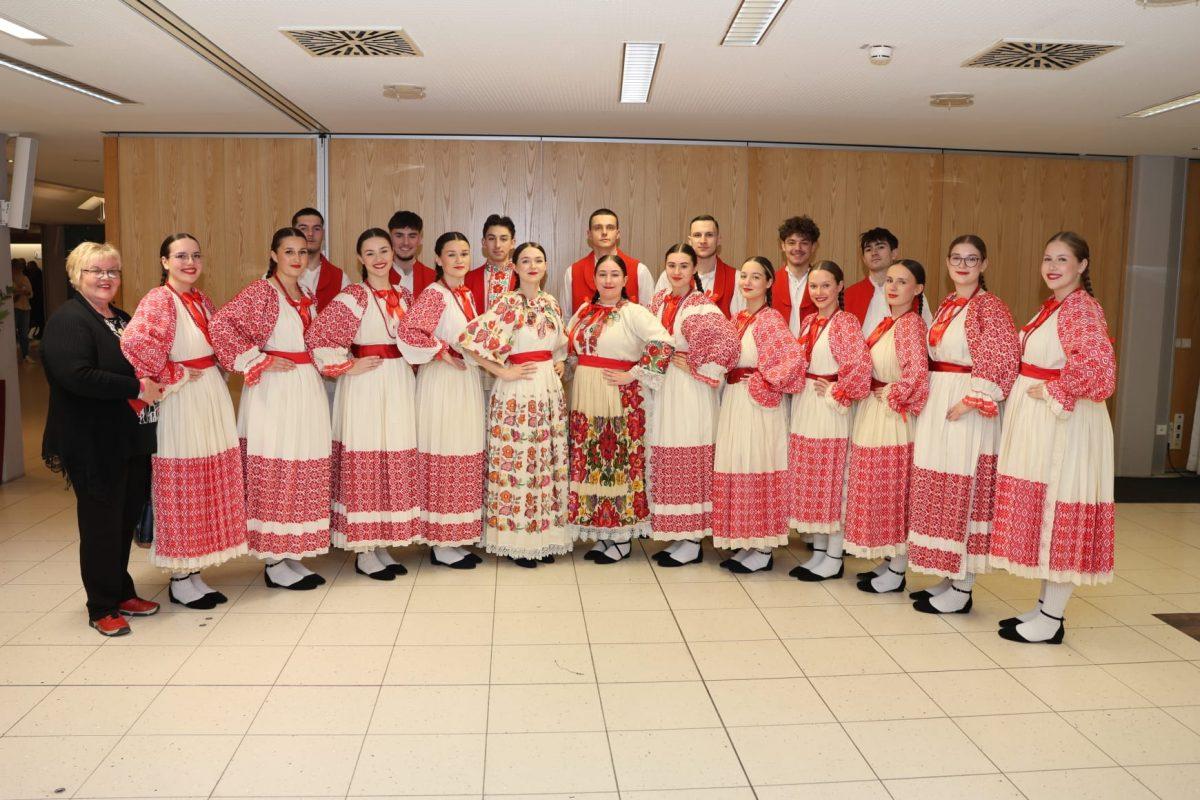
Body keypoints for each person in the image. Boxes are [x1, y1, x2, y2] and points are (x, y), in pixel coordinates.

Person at [989, 232, 1116, 644]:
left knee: (1059, 509)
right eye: (1047, 258)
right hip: (1043, 422)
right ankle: (1045, 608)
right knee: (1044, 509)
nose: (1053, 266)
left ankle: (1053, 618)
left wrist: (1056, 388)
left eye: (1063, 259)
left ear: (1082, 265)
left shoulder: (1081, 309)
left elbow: (1099, 371)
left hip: (1066, 425)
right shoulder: (1053, 307)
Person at [120, 233, 248, 608]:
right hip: (182, 400)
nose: (189, 262)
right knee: (184, 481)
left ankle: (195, 570)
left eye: (195, 255)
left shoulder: (201, 300)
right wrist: (171, 372)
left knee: (207, 478)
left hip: (208, 394)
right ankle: (180, 575)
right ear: (164, 262)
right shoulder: (160, 299)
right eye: (180, 256)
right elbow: (133, 343)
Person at [42, 242, 163, 636]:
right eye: (96, 271)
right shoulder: (69, 320)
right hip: (91, 441)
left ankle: (122, 590)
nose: (106, 278)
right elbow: (76, 375)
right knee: (100, 525)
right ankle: (101, 606)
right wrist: (136, 385)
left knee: (123, 520)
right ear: (77, 275)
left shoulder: (121, 318)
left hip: (127, 438)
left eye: (113, 271)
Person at [210, 227, 332, 589]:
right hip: (276, 390)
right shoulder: (262, 291)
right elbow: (221, 325)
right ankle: (273, 559)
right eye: (289, 251)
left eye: (303, 252)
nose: (297, 258)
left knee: (301, 463)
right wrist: (256, 359)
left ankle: (290, 549)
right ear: (274, 254)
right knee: (278, 465)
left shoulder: (305, 292)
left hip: (305, 386)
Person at [906, 236, 1019, 614]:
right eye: (956, 257)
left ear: (984, 264)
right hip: (941, 397)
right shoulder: (948, 304)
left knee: (962, 489)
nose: (963, 264)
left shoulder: (990, 307)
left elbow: (1003, 354)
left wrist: (973, 398)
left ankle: (964, 587)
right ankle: (948, 573)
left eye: (972, 259)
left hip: (967, 404)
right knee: (938, 485)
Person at [306, 228, 422, 580]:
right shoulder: (353, 296)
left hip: (398, 380)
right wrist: (347, 365)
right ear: (360, 259)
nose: (379, 258)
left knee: (392, 455)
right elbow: (318, 338)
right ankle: (363, 548)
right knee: (367, 458)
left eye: (383, 250)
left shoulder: (405, 295)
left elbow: (419, 337)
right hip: (365, 384)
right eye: (369, 253)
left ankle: (382, 539)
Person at [459, 241, 573, 565]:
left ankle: (545, 538)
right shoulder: (507, 303)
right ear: (515, 266)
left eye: (538, 260)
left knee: (545, 464)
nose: (532, 265)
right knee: (519, 465)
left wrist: (561, 363)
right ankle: (517, 541)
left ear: (546, 266)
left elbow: (560, 345)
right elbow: (470, 340)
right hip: (517, 392)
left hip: (548, 391)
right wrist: (501, 371)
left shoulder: (551, 303)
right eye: (525, 260)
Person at [565, 253, 673, 563]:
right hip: (586, 396)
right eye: (603, 274)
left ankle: (622, 536)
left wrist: (634, 373)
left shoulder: (633, 312)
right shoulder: (585, 311)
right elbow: (572, 349)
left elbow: (663, 342)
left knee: (617, 463)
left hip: (617, 397)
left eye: (615, 275)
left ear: (625, 280)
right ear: (594, 279)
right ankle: (603, 531)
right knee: (592, 464)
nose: (608, 280)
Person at [712, 257, 807, 573]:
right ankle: (747, 539)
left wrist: (766, 380)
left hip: (758, 404)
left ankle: (763, 546)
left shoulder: (769, 320)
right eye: (744, 276)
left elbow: (795, 358)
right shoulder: (738, 318)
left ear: (769, 283)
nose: (748, 282)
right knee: (739, 462)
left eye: (756, 277)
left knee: (758, 461)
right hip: (736, 399)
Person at [647, 243, 738, 567]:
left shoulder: (702, 305)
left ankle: (693, 539)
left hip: (690, 391)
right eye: (671, 265)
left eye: (683, 266)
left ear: (694, 270)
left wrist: (699, 365)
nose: (676, 272)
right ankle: (679, 532)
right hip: (665, 387)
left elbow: (728, 344)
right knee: (669, 454)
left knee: (689, 452)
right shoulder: (659, 301)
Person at [398, 232, 486, 569]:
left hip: (463, 381)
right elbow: (408, 331)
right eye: (451, 254)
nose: (459, 260)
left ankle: (456, 534)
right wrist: (441, 353)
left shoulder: (464, 294)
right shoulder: (435, 293)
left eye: (464, 253)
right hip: (443, 384)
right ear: (437, 259)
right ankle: (440, 540)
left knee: (463, 450)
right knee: (445, 450)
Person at [846, 260, 931, 593]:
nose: (893, 287)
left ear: (918, 289)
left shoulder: (910, 324)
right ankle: (887, 561)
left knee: (894, 491)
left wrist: (892, 393)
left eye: (903, 282)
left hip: (893, 417)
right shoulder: (888, 323)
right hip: (876, 410)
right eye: (890, 281)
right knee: (879, 490)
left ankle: (897, 570)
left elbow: (916, 374)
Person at [786, 261, 873, 581]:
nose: (819, 292)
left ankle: (834, 556)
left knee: (832, 481)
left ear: (840, 287)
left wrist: (838, 390)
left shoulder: (845, 322)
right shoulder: (809, 321)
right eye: (813, 286)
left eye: (826, 285)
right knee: (813, 482)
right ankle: (819, 553)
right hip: (807, 406)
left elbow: (860, 368)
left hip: (829, 410)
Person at [731, 215, 819, 336]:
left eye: (804, 243)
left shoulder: (823, 285)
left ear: (813, 246)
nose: (797, 248)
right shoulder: (768, 282)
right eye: (791, 243)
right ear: (783, 246)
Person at [561, 208, 654, 318]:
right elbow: (566, 321)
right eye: (598, 228)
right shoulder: (572, 272)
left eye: (610, 228)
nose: (604, 232)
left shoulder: (639, 270)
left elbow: (650, 317)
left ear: (618, 234)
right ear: (589, 234)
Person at [844, 228, 934, 333]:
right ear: (863, 258)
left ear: (894, 253)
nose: (874, 253)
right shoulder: (849, 295)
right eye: (868, 249)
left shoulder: (911, 293)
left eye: (880, 247)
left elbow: (928, 333)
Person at [652, 216, 738, 317]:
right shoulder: (669, 276)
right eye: (697, 235)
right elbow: (656, 318)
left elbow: (741, 325)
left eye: (709, 235)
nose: (703, 241)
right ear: (690, 240)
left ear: (718, 239)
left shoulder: (737, 278)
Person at [292, 207, 348, 313]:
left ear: (323, 233)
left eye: (316, 228)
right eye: (303, 228)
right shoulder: (275, 276)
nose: (310, 233)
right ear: (293, 233)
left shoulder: (340, 279)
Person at [465, 214, 518, 311]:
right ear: (484, 242)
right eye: (491, 238)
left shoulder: (523, 278)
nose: (497, 245)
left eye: (503, 239)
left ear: (512, 243)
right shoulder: (467, 279)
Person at [388, 210, 437, 296]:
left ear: (420, 239)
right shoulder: (376, 277)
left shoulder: (434, 278)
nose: (406, 242)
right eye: (399, 236)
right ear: (390, 238)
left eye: (412, 236)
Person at [12, 262, 33, 361]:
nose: (19, 270)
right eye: (17, 268)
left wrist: (26, 292)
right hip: (15, 308)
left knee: (24, 333)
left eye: (20, 268)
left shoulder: (25, 278)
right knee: (12, 332)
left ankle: (25, 355)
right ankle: (11, 356)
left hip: (25, 307)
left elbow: (31, 294)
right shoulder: (9, 278)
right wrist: (19, 292)